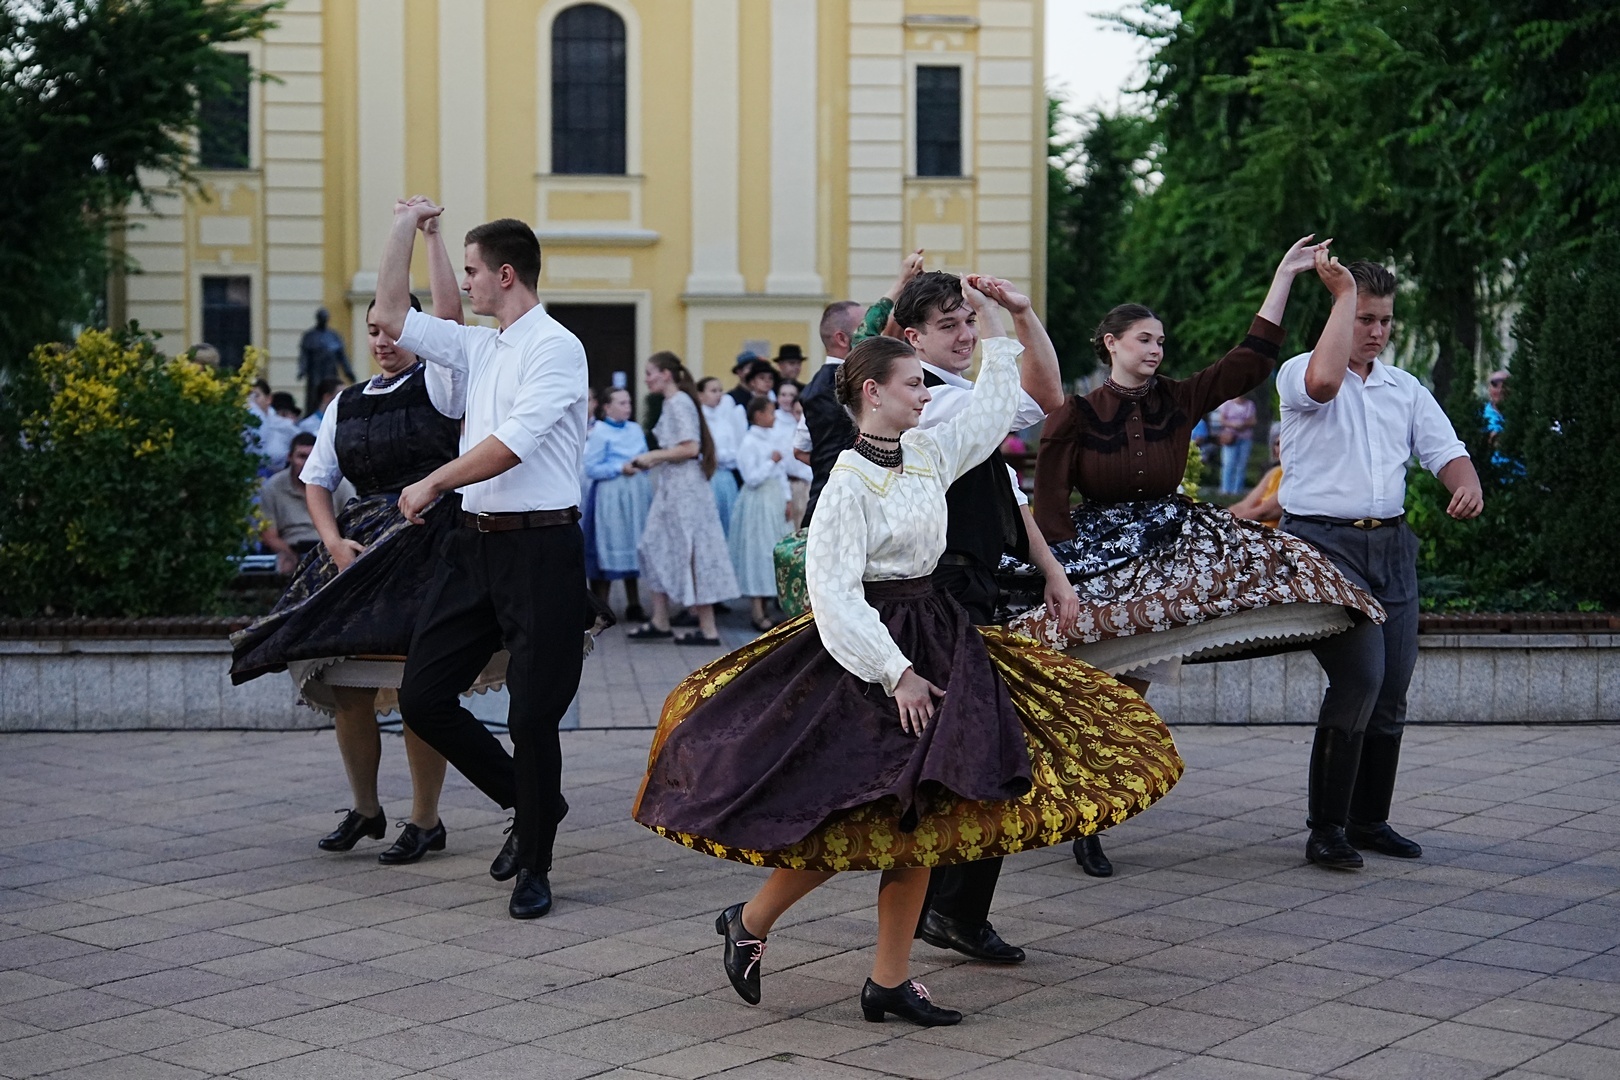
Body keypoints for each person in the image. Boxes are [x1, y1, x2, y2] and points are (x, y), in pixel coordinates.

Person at [634, 312, 1183, 1026]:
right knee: (853, 810)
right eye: (913, 384)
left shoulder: (925, 453)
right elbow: (835, 595)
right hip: (871, 652)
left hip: (939, 632)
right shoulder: (847, 484)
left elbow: (988, 418)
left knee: (925, 813)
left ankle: (887, 979)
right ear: (872, 393)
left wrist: (1004, 328)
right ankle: (751, 921)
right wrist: (895, 673)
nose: (926, 394)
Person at [1005, 237, 1386, 878]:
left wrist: (1284, 277)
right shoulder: (1075, 415)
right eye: (1143, 339)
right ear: (1110, 344)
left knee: (1283, 574)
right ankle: (1083, 818)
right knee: (1105, 687)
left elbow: (1250, 360)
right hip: (1102, 555)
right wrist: (1058, 574)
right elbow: (1050, 506)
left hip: (1173, 543)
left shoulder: (1177, 398)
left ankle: (1098, 811)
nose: (1156, 349)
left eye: (1160, 340)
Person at [376, 198, 591, 921]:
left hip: (541, 549)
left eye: (471, 271)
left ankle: (535, 865)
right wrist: (406, 227)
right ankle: (534, 804)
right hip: (474, 546)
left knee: (532, 717)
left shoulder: (556, 347)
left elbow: (513, 445)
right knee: (423, 697)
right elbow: (392, 316)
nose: (464, 283)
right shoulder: (480, 345)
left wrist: (434, 481)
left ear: (505, 275)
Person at [232, 245, 471, 864]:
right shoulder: (347, 400)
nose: (382, 340)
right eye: (372, 330)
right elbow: (316, 481)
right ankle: (366, 809)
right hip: (360, 548)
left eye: (391, 328)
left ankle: (425, 820)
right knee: (346, 684)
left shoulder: (442, 380)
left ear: (415, 331)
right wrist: (334, 542)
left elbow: (451, 317)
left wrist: (429, 235)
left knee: (417, 685)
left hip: (428, 542)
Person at [886, 268, 1081, 963]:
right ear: (914, 339)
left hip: (968, 594)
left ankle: (951, 911)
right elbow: (1039, 398)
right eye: (950, 325)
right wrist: (1004, 324)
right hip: (937, 600)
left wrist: (1018, 313)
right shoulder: (935, 404)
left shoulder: (962, 397)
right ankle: (943, 912)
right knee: (968, 756)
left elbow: (1038, 416)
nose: (966, 334)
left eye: (968, 321)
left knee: (971, 754)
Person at [1278, 259, 1483, 869]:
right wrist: (1341, 292)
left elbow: (1445, 450)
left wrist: (1466, 483)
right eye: (1364, 318)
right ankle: (1326, 830)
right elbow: (1323, 384)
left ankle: (1369, 821)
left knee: (1391, 689)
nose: (1376, 331)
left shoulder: (1405, 388)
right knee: (1361, 678)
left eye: (1384, 320)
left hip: (1390, 547)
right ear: (1340, 315)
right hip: (1322, 547)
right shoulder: (1301, 373)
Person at [627, 352, 740, 646]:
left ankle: (706, 628)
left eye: (650, 372)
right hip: (675, 484)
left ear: (666, 374)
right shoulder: (674, 402)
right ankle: (662, 620)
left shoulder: (679, 402)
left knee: (692, 549)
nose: (646, 379)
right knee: (655, 544)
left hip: (685, 487)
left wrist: (653, 456)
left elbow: (690, 448)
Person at [582, 386, 652, 622]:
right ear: (607, 407)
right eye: (621, 403)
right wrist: (619, 468)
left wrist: (642, 464)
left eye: (629, 402)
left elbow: (645, 454)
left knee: (633, 543)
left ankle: (634, 603)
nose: (627, 407)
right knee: (608, 545)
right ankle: (602, 607)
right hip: (610, 497)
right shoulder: (600, 433)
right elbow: (591, 467)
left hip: (635, 496)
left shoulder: (635, 429)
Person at [729, 396, 794, 631]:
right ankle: (757, 611)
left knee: (772, 551)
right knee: (758, 552)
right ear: (758, 415)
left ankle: (766, 607)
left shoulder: (770, 438)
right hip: (758, 501)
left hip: (774, 499)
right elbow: (751, 478)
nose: (774, 417)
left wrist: (787, 498)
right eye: (770, 412)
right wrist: (770, 462)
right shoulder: (749, 442)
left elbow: (781, 472)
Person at [258, 434, 355, 574]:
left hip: (332, 547)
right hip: (291, 549)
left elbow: (354, 520)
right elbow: (269, 535)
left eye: (312, 457)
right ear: (289, 457)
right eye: (302, 457)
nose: (307, 463)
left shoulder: (341, 484)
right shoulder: (273, 487)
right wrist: (289, 554)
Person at [698, 376, 745, 537]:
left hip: (726, 478)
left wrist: (722, 456)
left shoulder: (725, 420)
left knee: (728, 522)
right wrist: (717, 456)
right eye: (713, 391)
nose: (718, 394)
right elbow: (702, 452)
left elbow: (735, 451)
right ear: (700, 395)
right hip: (706, 476)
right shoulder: (698, 421)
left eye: (720, 391)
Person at [298, 307, 356, 416]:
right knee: (314, 396)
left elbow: (342, 356)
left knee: (331, 393)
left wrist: (348, 372)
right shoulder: (310, 336)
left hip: (330, 371)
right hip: (315, 371)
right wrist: (302, 369)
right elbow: (304, 355)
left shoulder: (334, 336)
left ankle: (332, 415)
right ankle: (313, 415)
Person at [771, 380, 811, 528]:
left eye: (791, 395)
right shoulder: (773, 420)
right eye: (783, 394)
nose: (787, 399)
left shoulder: (803, 421)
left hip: (804, 481)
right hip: (781, 481)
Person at [1229, 427, 1285, 527]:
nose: (1280, 448)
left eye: (1284, 443)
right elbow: (1244, 505)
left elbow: (1263, 512)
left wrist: (1225, 523)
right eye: (1277, 444)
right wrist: (1221, 516)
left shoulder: (1296, 477)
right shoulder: (1275, 472)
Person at [1217, 393, 1259, 495]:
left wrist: (1243, 424)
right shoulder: (1227, 404)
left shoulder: (1249, 404)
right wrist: (1232, 424)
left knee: (1241, 464)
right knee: (1228, 463)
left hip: (1245, 438)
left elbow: (1253, 421)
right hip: (1230, 438)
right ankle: (1225, 489)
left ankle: (1237, 490)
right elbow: (1221, 419)